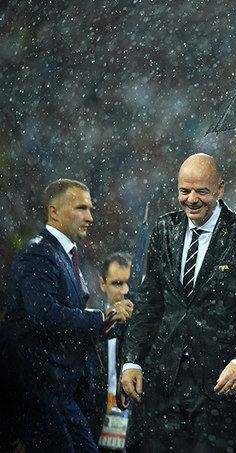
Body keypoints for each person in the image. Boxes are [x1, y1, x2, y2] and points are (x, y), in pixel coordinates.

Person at [120, 153, 236, 453]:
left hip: (220, 384)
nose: (192, 199)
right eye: (184, 191)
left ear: (220, 189)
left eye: (201, 192)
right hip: (164, 380)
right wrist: (132, 359)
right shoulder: (164, 229)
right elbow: (150, 299)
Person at [0, 179, 132, 453]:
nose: (90, 217)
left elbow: (68, 317)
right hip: (39, 388)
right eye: (81, 208)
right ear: (54, 212)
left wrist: (109, 321)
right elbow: (45, 315)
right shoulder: (38, 253)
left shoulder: (64, 254)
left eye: (91, 208)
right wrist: (101, 317)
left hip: (59, 390)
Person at [86, 252, 133, 449]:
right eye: (117, 283)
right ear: (102, 284)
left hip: (132, 416)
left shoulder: (143, 325)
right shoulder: (89, 321)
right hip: (95, 411)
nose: (124, 290)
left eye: (128, 282)